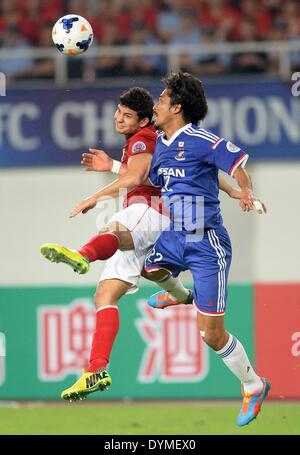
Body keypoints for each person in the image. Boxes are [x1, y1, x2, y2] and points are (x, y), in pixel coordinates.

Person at [40, 86, 248, 402]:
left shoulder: (145, 137)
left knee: (119, 227)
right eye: (118, 111)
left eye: (127, 115)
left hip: (154, 210)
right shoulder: (160, 140)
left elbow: (139, 177)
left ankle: (83, 254)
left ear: (143, 121)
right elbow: (185, 167)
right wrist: (232, 190)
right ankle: (96, 369)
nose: (118, 118)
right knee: (105, 294)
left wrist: (94, 196)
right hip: (158, 215)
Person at [140, 71, 270, 427]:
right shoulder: (160, 143)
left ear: (177, 107)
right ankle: (182, 295)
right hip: (175, 234)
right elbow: (189, 176)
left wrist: (244, 191)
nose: (156, 104)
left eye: (162, 100)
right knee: (149, 269)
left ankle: (253, 385)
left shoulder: (202, 139)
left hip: (205, 241)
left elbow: (237, 166)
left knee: (210, 336)